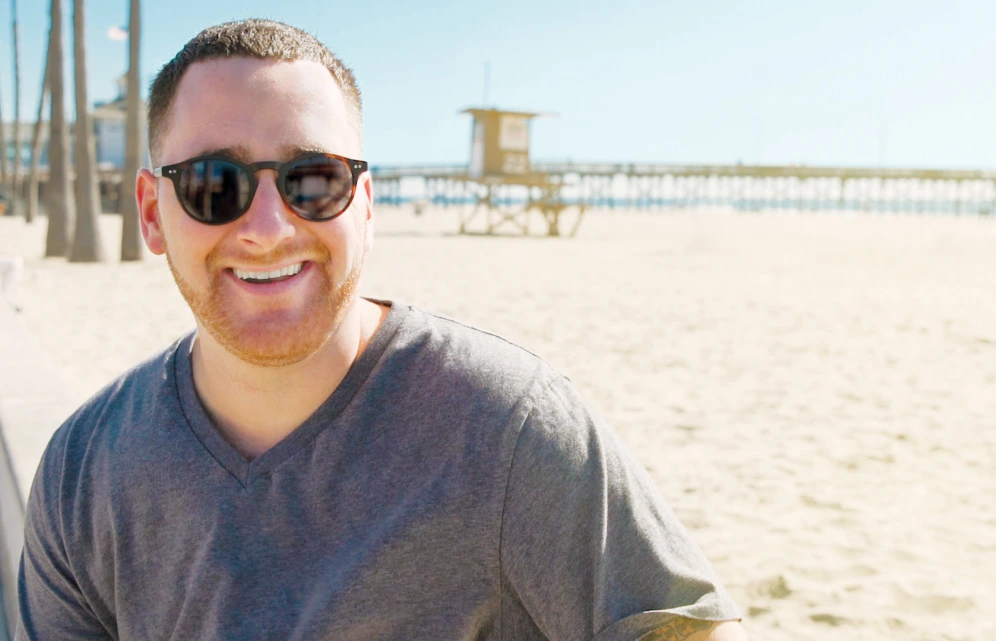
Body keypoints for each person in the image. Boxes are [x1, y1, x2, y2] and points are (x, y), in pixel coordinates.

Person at [17, 20, 746, 641]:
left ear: (364, 204)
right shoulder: (86, 473)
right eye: (214, 184)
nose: (269, 230)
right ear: (151, 211)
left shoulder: (508, 430)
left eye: (313, 179)